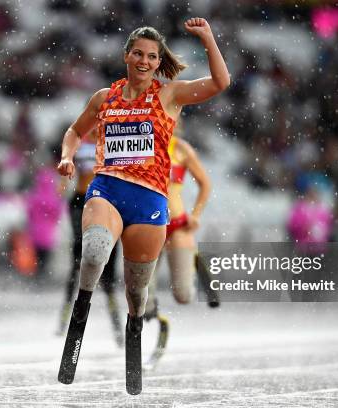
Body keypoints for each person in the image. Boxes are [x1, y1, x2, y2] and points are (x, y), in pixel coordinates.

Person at [56, 17, 229, 395]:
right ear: (126, 56)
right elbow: (74, 131)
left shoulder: (169, 96)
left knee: (137, 292)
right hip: (107, 190)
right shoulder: (105, 98)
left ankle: (136, 326)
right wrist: (68, 156)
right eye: (138, 53)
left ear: (157, 61)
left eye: (152, 56)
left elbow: (220, 83)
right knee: (95, 251)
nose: (145, 61)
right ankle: (80, 317)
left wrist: (208, 39)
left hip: (150, 203)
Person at [143, 130, 218, 368]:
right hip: (148, 226)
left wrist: (196, 215)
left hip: (177, 226)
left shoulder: (181, 149)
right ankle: (157, 321)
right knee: (142, 302)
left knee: (184, 295)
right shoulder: (140, 145)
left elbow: (205, 183)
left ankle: (197, 260)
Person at [57, 128, 124, 347]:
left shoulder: (113, 141)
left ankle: (116, 322)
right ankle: (66, 318)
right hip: (81, 200)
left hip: (107, 201)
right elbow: (66, 168)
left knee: (108, 263)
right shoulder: (81, 142)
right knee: (79, 255)